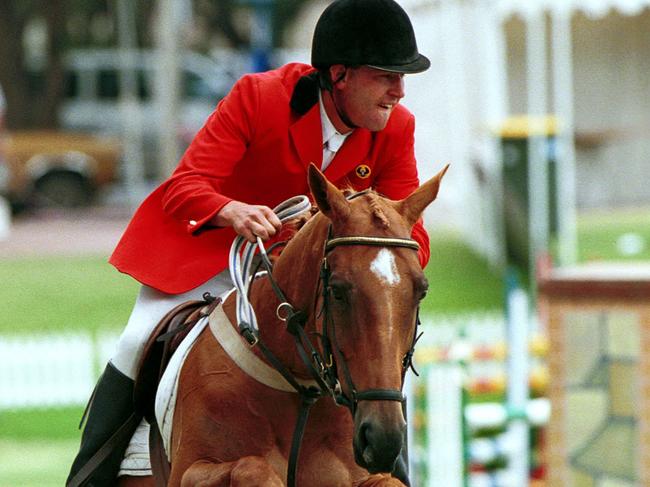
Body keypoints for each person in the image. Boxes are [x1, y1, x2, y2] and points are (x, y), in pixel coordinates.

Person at [67, 0, 432, 485]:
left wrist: (377, 264)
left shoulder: (396, 128)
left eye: (402, 77)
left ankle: (392, 469)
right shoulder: (258, 98)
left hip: (315, 276)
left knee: (373, 354)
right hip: (212, 261)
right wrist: (230, 210)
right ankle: (91, 472)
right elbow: (185, 185)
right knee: (137, 341)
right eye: (387, 75)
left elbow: (412, 230)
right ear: (340, 74)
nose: (399, 91)